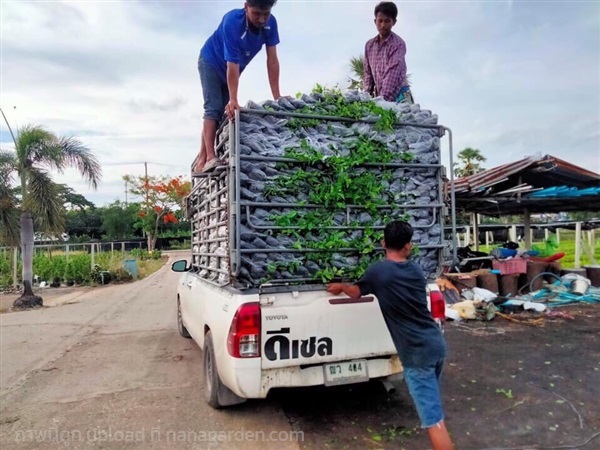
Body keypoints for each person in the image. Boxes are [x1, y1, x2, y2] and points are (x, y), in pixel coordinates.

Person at [326, 221, 453, 450]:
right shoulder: (415, 270)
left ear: (383, 243)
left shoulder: (378, 272)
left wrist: (341, 286)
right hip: (436, 345)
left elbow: (355, 292)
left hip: (416, 355)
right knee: (432, 404)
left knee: (434, 420)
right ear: (408, 247)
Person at [195, 0, 283, 173]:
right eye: (257, 14)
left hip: (232, 69)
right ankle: (210, 158)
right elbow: (232, 64)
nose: (262, 19)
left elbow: (272, 60)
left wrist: (277, 97)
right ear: (246, 7)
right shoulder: (232, 22)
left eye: (266, 14)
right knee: (213, 108)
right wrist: (234, 99)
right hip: (212, 62)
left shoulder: (271, 24)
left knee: (221, 112)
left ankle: (201, 159)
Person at [363, 2, 414, 104]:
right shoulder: (369, 45)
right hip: (381, 96)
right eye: (380, 21)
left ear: (393, 22)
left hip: (400, 95)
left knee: (404, 119)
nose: (383, 25)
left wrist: (382, 100)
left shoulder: (398, 44)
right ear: (375, 21)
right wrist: (365, 99)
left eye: (387, 21)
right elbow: (368, 76)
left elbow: (392, 73)